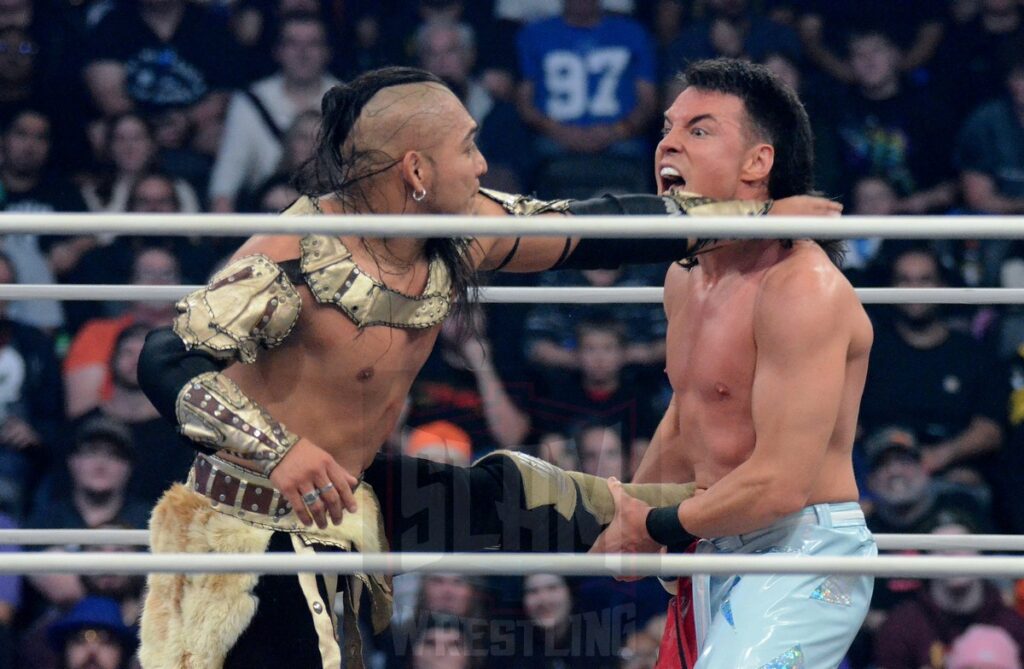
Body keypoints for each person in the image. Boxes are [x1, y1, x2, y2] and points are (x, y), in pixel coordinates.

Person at [136, 65, 838, 667]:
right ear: (416, 170)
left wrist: (754, 217)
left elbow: (590, 227)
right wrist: (279, 450)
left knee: (523, 493)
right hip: (253, 525)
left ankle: (701, 518)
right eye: (468, 147)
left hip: (346, 498)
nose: (482, 165)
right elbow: (165, 357)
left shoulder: (458, 233)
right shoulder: (292, 254)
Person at [589, 58, 875, 669]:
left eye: (699, 130)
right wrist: (628, 512)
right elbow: (688, 410)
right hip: (709, 536)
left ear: (757, 163)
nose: (667, 143)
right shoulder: (683, 279)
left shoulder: (801, 289)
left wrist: (657, 524)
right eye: (668, 127)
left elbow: (780, 482)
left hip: (802, 547)